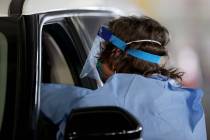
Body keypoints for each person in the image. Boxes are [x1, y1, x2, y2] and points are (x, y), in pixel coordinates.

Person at [41, 16, 207, 140]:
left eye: (103, 48)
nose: (97, 58)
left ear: (115, 53)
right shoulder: (182, 99)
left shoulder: (116, 97)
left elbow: (76, 120)